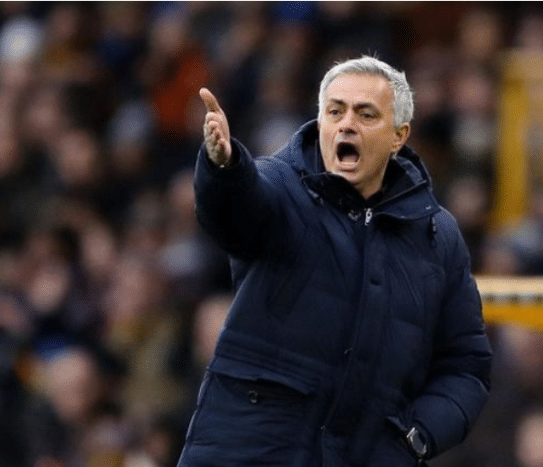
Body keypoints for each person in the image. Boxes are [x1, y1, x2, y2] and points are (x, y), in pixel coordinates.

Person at [177, 55, 492, 467]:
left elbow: (465, 368)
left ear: (398, 136)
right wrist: (225, 168)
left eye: (366, 114)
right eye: (335, 111)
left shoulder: (438, 236)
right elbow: (234, 217)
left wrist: (415, 438)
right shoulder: (278, 183)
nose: (346, 124)